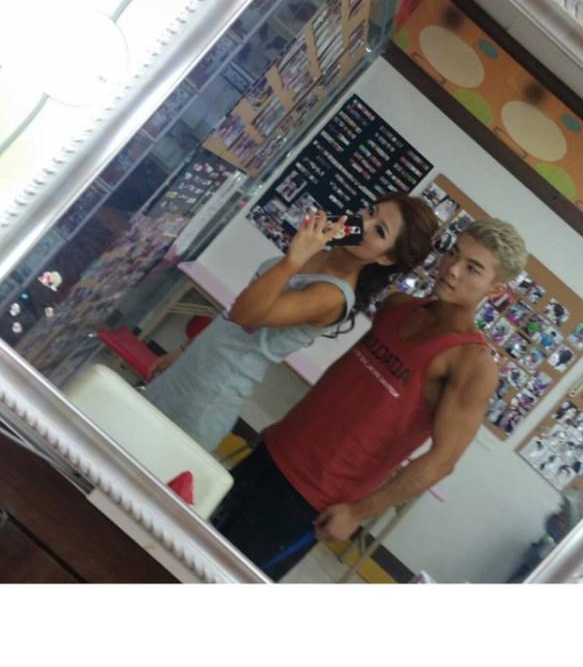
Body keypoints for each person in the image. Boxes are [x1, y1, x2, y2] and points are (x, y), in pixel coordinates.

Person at [211, 217, 528, 580]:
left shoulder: (472, 364)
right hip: (275, 450)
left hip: (314, 496)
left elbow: (442, 461)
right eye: (453, 254)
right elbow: (350, 386)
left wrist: (359, 512)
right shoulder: (397, 305)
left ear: (495, 290)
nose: (453, 269)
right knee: (182, 541)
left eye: (473, 268)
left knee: (224, 580)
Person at [142, 193, 438, 451]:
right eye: (370, 211)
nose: (364, 223)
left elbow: (245, 314)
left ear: (385, 259)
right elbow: (233, 316)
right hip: (190, 368)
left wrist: (293, 260)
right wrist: (185, 349)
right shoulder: (317, 255)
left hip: (208, 395)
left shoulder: (332, 295)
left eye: (379, 231)